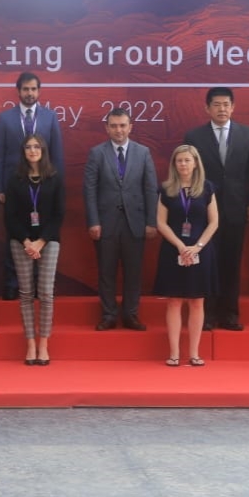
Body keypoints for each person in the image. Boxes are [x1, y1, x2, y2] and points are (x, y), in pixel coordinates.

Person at [182, 86, 249, 331]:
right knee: (206, 262)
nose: (222, 108)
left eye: (226, 104)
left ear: (233, 107)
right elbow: (188, 174)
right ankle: (206, 315)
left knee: (231, 262)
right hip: (204, 210)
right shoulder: (194, 137)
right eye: (216, 104)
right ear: (207, 108)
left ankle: (230, 315)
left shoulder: (247, 134)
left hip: (236, 209)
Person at [83, 108, 158, 332]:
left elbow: (150, 188)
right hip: (105, 223)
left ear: (130, 126)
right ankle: (108, 315)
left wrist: (151, 222)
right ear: (107, 128)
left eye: (123, 125)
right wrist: (93, 221)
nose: (118, 130)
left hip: (135, 222)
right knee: (106, 272)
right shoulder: (96, 153)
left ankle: (131, 315)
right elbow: (89, 190)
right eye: (114, 126)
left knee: (133, 272)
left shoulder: (143, 152)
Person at [0, 72, 64, 300]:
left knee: (43, 233)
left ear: (39, 91)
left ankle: (40, 285)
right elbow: (0, 155)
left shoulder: (50, 117)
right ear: (18, 91)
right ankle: (14, 284)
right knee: (15, 232)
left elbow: (56, 155)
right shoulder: (5, 118)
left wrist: (57, 186)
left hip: (44, 187)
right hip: (15, 187)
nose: (30, 93)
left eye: (33, 89)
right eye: (25, 89)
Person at [153, 145, 219, 367]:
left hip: (201, 251)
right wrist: (181, 245)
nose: (183, 164)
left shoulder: (207, 188)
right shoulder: (166, 189)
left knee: (197, 302)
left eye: (187, 160)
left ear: (195, 163)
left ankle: (194, 353)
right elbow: (160, 223)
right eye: (179, 161)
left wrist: (197, 246)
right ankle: (174, 353)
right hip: (174, 250)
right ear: (174, 164)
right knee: (173, 301)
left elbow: (214, 222)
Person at [4, 134, 64, 365]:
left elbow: (59, 214)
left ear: (43, 150)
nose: (32, 150)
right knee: (27, 294)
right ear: (23, 151)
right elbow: (9, 216)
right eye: (28, 147)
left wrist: (42, 241)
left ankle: (44, 344)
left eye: (36, 146)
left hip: (49, 241)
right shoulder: (15, 179)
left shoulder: (54, 178)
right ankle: (30, 343)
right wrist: (26, 241)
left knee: (46, 294)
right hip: (21, 241)